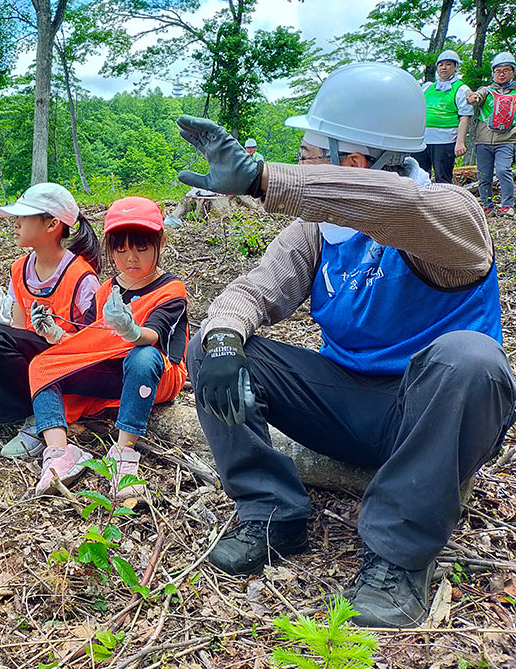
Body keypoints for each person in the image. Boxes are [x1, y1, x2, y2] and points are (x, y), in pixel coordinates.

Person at [178, 62, 514, 629]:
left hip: (431, 415)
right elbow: (253, 290)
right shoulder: (315, 232)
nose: (300, 164)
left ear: (353, 162)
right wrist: (224, 338)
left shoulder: (450, 217)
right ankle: (269, 511)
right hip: (348, 405)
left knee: (472, 360)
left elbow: (399, 208)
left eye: (309, 154)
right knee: (214, 343)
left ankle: (398, 558)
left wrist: (265, 180)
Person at [26, 197, 189, 498]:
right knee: (42, 365)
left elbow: (155, 336)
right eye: (121, 249)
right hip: (112, 372)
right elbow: (86, 341)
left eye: (141, 248)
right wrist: (54, 334)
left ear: (160, 243)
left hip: (155, 373)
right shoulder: (106, 291)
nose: (131, 258)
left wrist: (131, 329)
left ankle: (124, 456)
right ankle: (60, 453)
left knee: (143, 357)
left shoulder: (170, 290)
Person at [0, 183, 101, 457]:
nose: (15, 223)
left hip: (61, 361)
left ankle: (35, 418)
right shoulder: (20, 268)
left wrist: (53, 332)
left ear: (52, 225)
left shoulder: (81, 276)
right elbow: (18, 328)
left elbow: (91, 344)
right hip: (32, 354)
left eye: (23, 217)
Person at [412, 50, 473, 184]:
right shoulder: (428, 87)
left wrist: (460, 142)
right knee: (419, 176)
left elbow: (464, 117)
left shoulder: (461, 89)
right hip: (423, 139)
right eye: (441, 65)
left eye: (448, 64)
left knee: (442, 177)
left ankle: (443, 204)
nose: (444, 67)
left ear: (455, 67)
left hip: (445, 140)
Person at [467, 52, 516, 217]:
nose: (501, 74)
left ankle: (507, 206)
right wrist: (473, 97)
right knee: (484, 175)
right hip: (484, 140)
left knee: (503, 171)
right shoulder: (486, 91)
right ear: (493, 73)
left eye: (506, 70)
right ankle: (487, 207)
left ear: (513, 72)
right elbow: (477, 96)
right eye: (497, 71)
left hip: (507, 140)